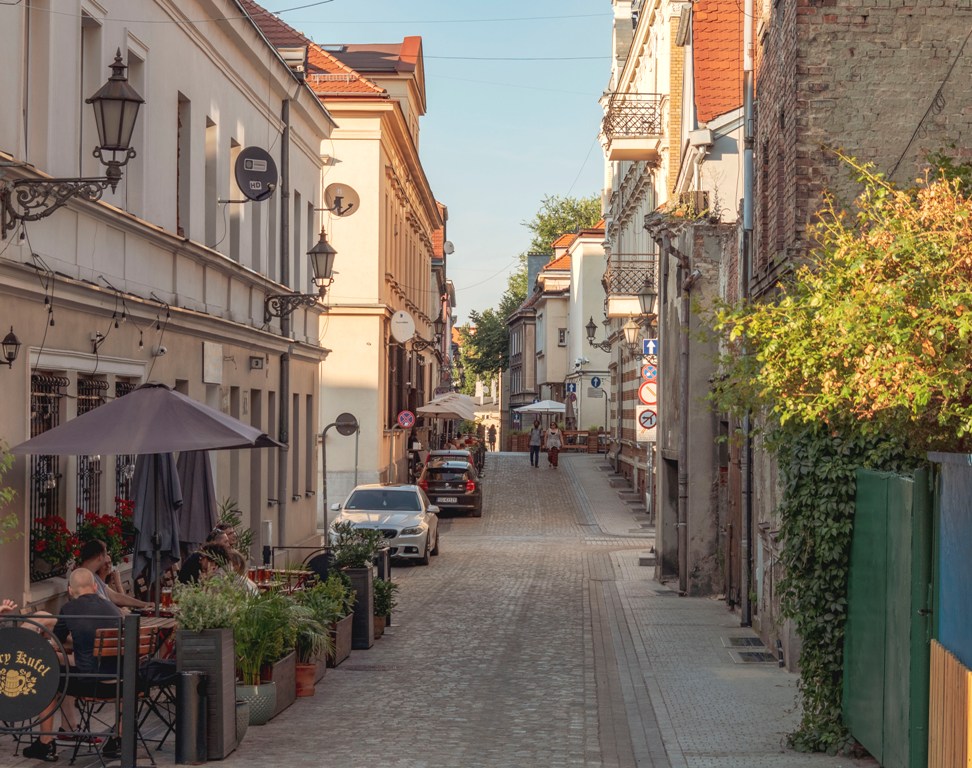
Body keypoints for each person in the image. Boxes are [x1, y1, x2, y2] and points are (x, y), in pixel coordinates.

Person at [77, 539, 151, 611]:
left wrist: (144, 604)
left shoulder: (93, 576)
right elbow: (101, 605)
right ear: (100, 557)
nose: (107, 558)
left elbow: (116, 597)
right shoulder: (81, 577)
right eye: (105, 554)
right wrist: (121, 612)